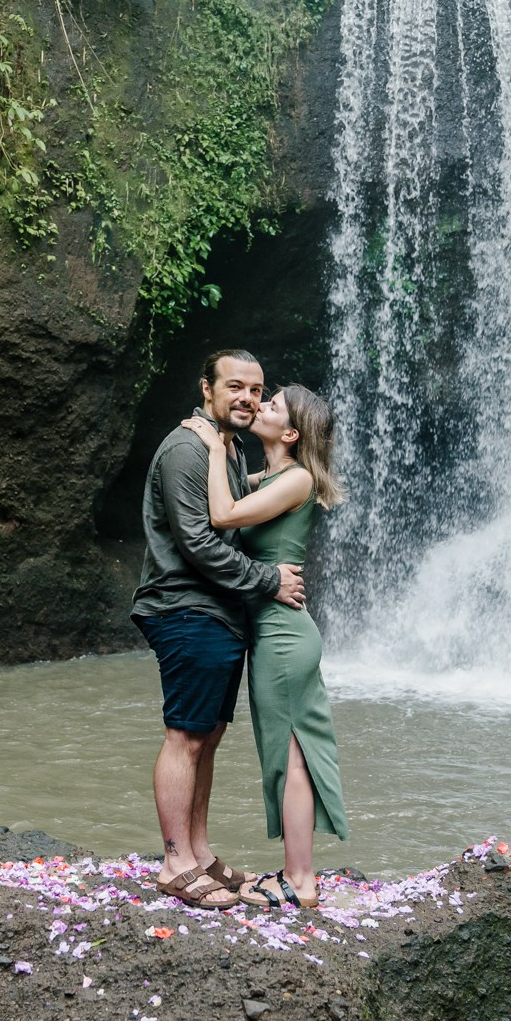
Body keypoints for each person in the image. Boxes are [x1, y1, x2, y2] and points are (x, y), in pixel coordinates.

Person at [134, 350, 307, 910]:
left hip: (217, 612)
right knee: (184, 735)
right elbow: (199, 543)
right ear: (206, 388)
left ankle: (200, 853)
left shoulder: (225, 447)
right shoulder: (189, 448)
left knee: (208, 734)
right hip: (186, 607)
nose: (248, 399)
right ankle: (174, 862)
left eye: (257, 391)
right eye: (235, 386)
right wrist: (268, 579)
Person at [179, 382, 346, 910]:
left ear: (292, 432)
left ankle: (299, 881)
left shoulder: (296, 479)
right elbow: (226, 490)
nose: (261, 405)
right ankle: (297, 873)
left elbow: (224, 515)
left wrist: (209, 445)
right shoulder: (272, 475)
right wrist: (222, 445)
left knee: (292, 756)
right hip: (273, 632)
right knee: (284, 754)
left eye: (272, 404)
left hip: (284, 635)